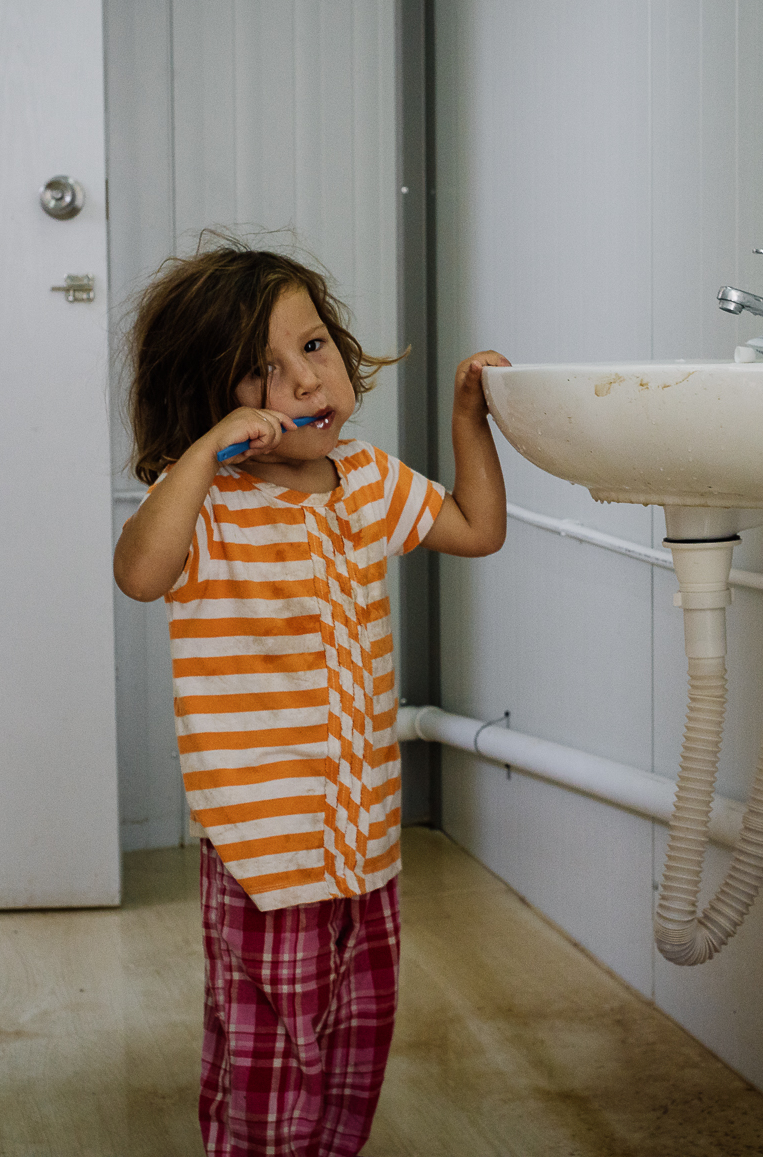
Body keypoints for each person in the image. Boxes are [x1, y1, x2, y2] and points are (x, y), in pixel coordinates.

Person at [113, 232, 508, 1157]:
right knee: (265, 1063)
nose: (302, 382)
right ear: (204, 402)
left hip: (363, 848)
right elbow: (138, 573)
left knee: (355, 1047)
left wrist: (469, 421)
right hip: (265, 856)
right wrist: (206, 454)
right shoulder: (206, 506)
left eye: (314, 347)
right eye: (260, 372)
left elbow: (476, 529)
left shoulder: (365, 482)